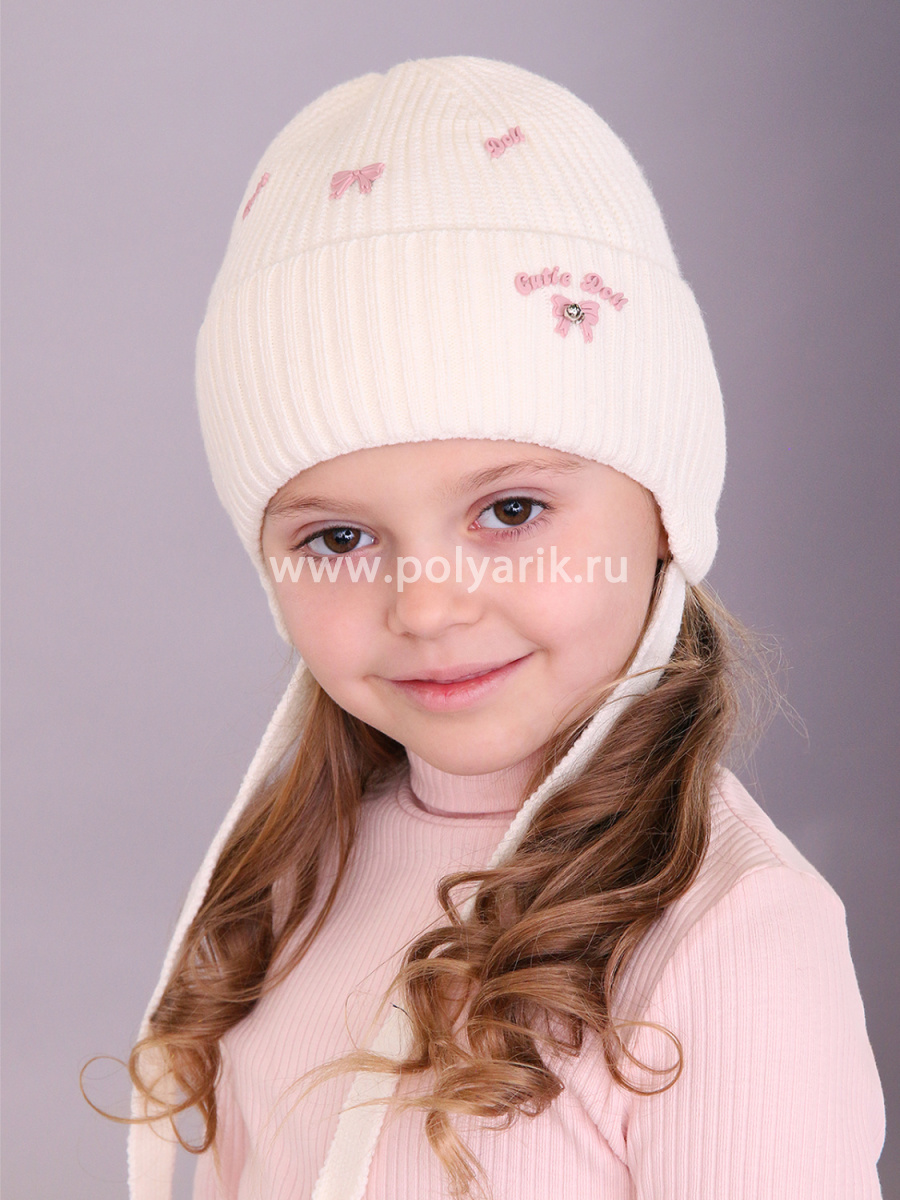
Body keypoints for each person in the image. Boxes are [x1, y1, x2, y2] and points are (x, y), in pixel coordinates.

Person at [122, 56, 884, 1199]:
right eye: (339, 537)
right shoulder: (298, 874)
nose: (428, 606)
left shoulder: (728, 937)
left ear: (662, 513)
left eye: (512, 512)